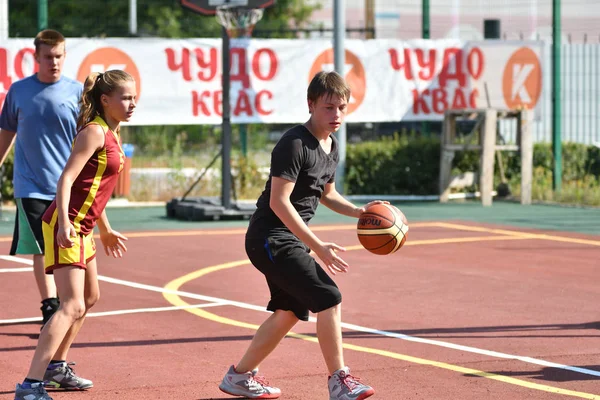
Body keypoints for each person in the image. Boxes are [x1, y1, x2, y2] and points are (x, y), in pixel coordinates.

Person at [218, 71, 382, 400]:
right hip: (270, 236)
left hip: (284, 239)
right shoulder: (294, 143)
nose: (336, 115)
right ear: (311, 104)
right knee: (329, 298)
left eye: (342, 108)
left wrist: (359, 212)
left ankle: (238, 376)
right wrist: (317, 246)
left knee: (290, 311)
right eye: (328, 107)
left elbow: (326, 193)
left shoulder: (331, 145)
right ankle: (339, 381)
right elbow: (279, 202)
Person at [14, 69, 136, 400]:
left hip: (84, 227)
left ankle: (56, 369)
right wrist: (66, 223)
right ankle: (31, 385)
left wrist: (106, 229)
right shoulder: (94, 133)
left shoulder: (114, 130)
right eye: (125, 98)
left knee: (90, 298)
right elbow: (67, 179)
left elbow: (94, 188)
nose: (132, 103)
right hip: (66, 224)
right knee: (70, 305)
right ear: (105, 100)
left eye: (134, 97)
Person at [0, 29, 83, 327]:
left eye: (59, 56)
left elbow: (86, 140)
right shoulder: (19, 91)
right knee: (41, 247)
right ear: (36, 57)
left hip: (68, 186)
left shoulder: (77, 93)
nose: (54, 62)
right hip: (30, 184)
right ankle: (50, 306)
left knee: (67, 243)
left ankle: (65, 301)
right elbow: (7, 133)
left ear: (65, 56)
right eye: (48, 57)